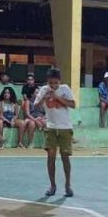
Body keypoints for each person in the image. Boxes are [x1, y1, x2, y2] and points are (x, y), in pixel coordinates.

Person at [34, 68, 76, 197]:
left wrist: (57, 97)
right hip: (51, 128)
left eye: (56, 83)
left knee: (65, 158)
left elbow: (73, 105)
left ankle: (68, 185)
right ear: (47, 82)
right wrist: (44, 98)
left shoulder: (65, 89)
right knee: (50, 157)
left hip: (65, 128)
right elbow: (36, 106)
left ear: (60, 81)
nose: (53, 86)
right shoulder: (43, 90)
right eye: (51, 83)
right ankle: (52, 185)